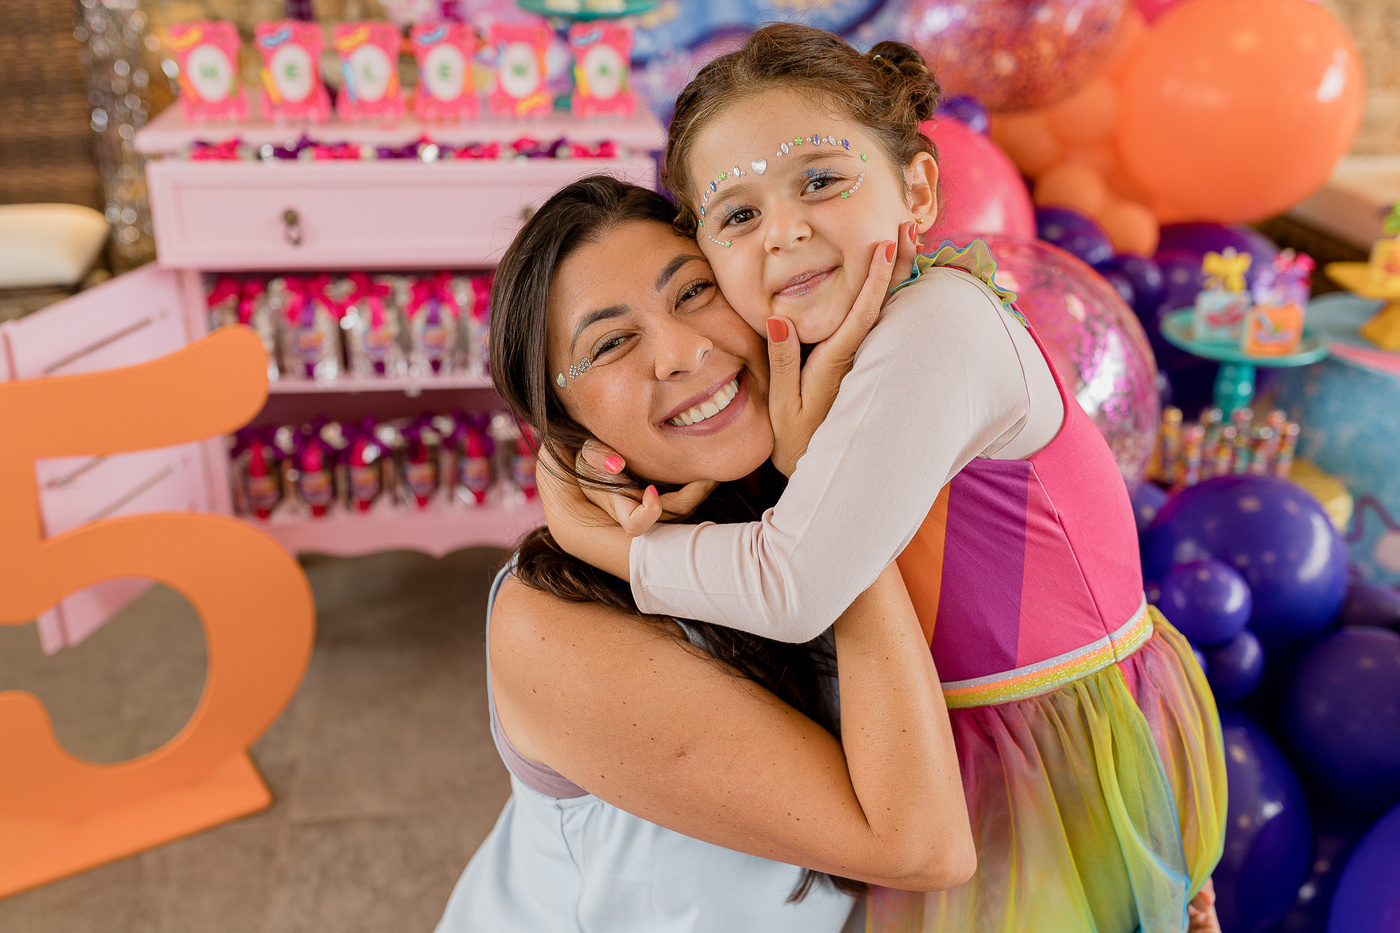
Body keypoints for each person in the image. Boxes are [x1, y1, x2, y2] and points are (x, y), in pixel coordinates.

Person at [539, 24, 1226, 933]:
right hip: (970, 735)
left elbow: (794, 583)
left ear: (918, 188)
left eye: (821, 179)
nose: (785, 231)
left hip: (1050, 745)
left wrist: (614, 546)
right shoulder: (842, 346)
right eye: (737, 215)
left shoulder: (938, 326)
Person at [433, 176, 973, 933]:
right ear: (564, 420)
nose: (684, 352)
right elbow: (919, 848)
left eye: (694, 292)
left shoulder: (811, 473)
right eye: (610, 344)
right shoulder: (548, 631)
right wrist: (831, 495)